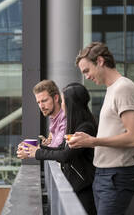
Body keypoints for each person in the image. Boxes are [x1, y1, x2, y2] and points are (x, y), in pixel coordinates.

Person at [68, 42, 134, 215]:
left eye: (87, 70)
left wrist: (93, 141)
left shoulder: (123, 87)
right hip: (104, 175)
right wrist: (86, 141)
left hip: (116, 175)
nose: (86, 77)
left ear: (100, 61)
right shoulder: (112, 89)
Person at [18, 83, 97, 215]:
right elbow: (61, 148)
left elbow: (65, 155)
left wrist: (37, 152)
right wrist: (37, 148)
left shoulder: (85, 127)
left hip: (84, 188)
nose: (62, 105)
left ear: (72, 103)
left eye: (64, 101)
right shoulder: (78, 126)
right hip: (78, 186)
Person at [32, 80, 66, 147]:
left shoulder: (64, 118)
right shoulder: (53, 118)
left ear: (56, 98)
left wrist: (35, 150)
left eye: (44, 101)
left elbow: (57, 149)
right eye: (38, 102)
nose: (41, 106)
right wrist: (47, 144)